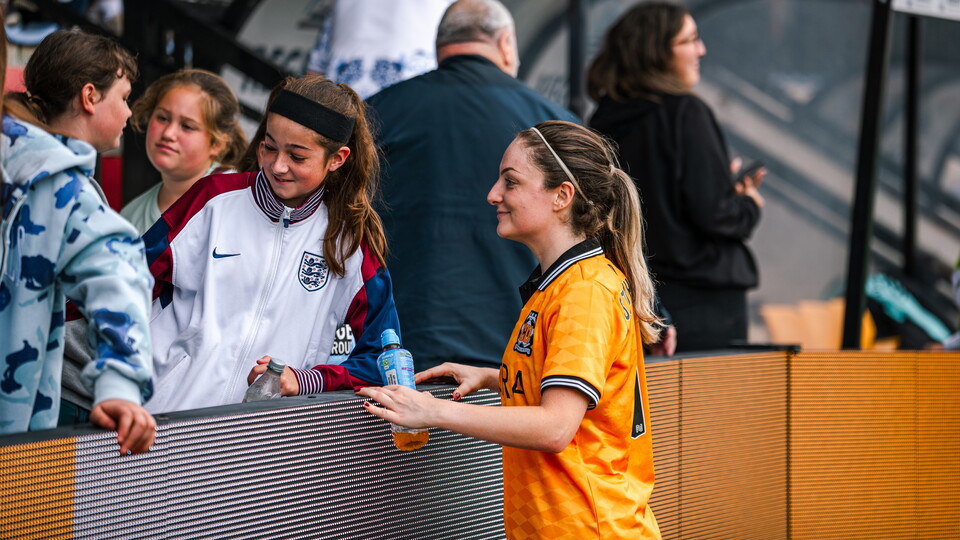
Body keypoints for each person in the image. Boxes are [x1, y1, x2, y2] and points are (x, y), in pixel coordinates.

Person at [359, 121, 662, 539]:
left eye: (511, 182)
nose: (493, 195)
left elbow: (556, 427)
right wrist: (493, 378)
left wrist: (431, 411)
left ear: (562, 196)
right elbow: (579, 399)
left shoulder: (584, 290)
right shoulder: (563, 283)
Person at [143, 75, 400, 413]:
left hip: (268, 446)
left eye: (297, 156)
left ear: (336, 159)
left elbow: (385, 359)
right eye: (270, 147)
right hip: (164, 420)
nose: (278, 166)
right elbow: (127, 282)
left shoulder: (350, 244)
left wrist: (306, 379)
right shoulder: (215, 198)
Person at [367, 0, 580, 372]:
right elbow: (599, 229)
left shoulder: (376, 112)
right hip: (517, 351)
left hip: (399, 351)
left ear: (440, 47)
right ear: (506, 44)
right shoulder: (556, 124)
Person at [0, 26, 155, 454]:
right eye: (123, 97)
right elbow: (118, 272)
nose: (128, 114)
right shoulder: (61, 187)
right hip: (13, 447)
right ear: (89, 97)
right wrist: (121, 383)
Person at [588, 2, 765, 353]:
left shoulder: (603, 120)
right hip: (704, 302)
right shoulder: (686, 112)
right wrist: (748, 204)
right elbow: (715, 214)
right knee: (710, 405)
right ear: (657, 52)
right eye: (690, 40)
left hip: (637, 297)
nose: (702, 49)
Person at [121, 69, 246, 234]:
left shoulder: (238, 199)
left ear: (217, 144)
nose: (168, 134)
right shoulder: (130, 216)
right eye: (162, 118)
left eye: (187, 126)